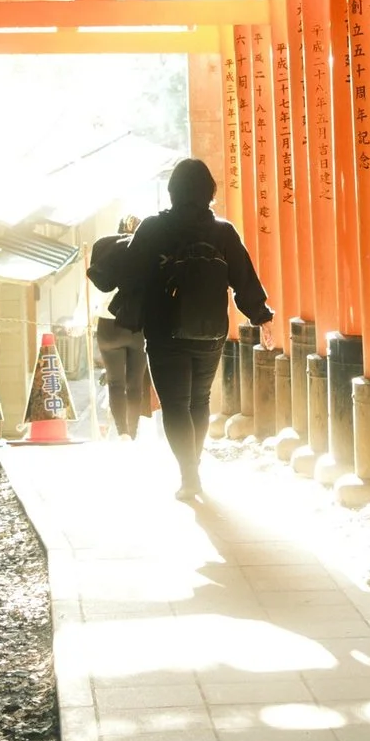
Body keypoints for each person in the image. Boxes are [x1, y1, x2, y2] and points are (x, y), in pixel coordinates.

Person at [111, 158, 269, 500]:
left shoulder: (152, 228)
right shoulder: (223, 232)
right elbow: (243, 278)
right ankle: (193, 466)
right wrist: (262, 316)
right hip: (211, 332)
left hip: (164, 331)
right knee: (199, 400)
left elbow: (129, 276)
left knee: (175, 405)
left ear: (172, 192)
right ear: (209, 192)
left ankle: (189, 475)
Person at [85, 215, 149, 438]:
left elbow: (92, 296)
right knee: (135, 384)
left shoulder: (105, 254)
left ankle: (121, 432)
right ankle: (132, 432)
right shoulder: (145, 254)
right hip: (136, 326)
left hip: (108, 327)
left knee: (115, 382)